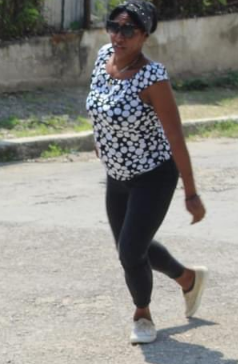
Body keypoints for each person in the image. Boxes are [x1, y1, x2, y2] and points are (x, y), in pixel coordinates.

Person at [86, 0, 208, 345]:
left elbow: (175, 137)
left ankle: (142, 314)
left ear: (144, 36)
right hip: (116, 174)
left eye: (128, 30)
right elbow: (98, 104)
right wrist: (102, 139)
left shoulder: (152, 76)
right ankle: (187, 279)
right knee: (131, 248)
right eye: (114, 26)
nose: (118, 35)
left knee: (129, 251)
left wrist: (191, 194)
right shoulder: (102, 58)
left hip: (154, 175)